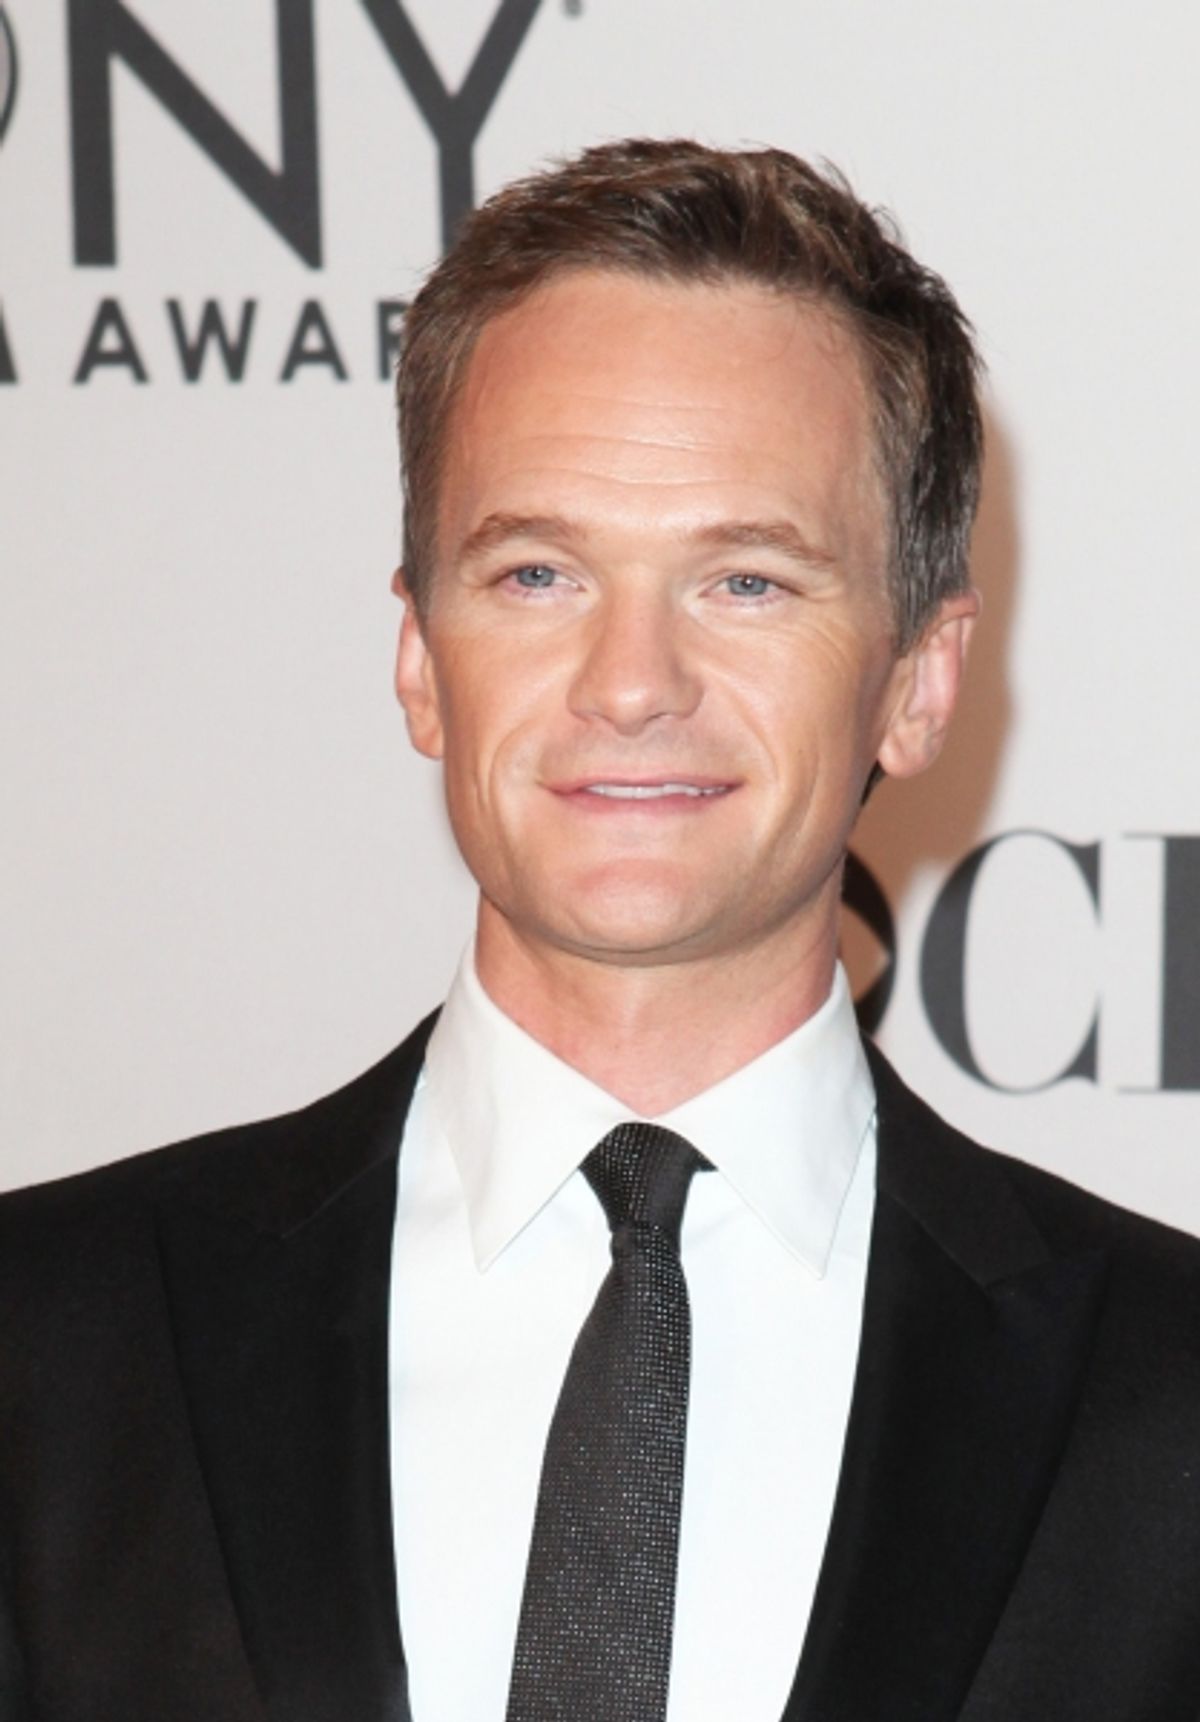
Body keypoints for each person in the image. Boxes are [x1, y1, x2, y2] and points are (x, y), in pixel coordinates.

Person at [2, 139, 1199, 1722]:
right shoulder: (45, 1348)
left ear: (918, 675)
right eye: (540, 570)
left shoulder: (1171, 1408)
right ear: (422, 655)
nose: (631, 680)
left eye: (749, 581)